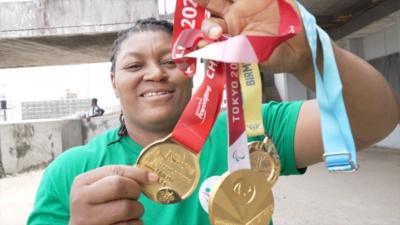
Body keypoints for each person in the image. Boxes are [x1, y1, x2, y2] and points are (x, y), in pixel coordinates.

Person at [28, 1, 399, 225]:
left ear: (196, 69)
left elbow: (374, 120)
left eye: (172, 60)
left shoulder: (251, 131)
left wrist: (311, 55)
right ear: (113, 81)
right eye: (133, 66)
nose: (155, 73)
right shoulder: (71, 172)